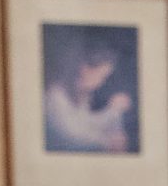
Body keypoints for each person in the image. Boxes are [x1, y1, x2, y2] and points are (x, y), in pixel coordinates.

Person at [41, 27, 136, 155]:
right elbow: (71, 133)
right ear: (84, 69)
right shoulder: (55, 96)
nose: (101, 82)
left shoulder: (81, 96)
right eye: (101, 76)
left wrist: (114, 110)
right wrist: (107, 142)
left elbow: (87, 124)